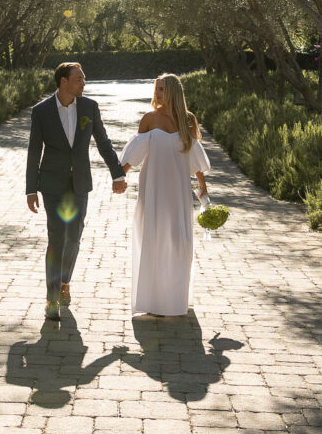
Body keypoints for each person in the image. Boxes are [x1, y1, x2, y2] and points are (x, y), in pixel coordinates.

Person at [26, 61, 127, 321]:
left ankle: (64, 282)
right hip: (51, 184)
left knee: (74, 237)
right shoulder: (42, 111)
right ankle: (51, 300)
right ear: (64, 82)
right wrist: (30, 189)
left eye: (83, 79)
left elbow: (104, 142)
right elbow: (34, 150)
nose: (84, 83)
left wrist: (117, 173)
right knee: (56, 237)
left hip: (79, 183)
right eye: (79, 79)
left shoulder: (89, 107)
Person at [120, 73, 210, 316]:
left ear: (173, 92)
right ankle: (151, 300)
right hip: (153, 188)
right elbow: (135, 153)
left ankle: (174, 300)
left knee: (178, 240)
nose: (157, 94)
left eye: (162, 89)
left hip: (178, 191)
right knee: (153, 237)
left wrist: (202, 187)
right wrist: (120, 175)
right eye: (156, 89)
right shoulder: (149, 119)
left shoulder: (187, 120)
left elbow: (195, 158)